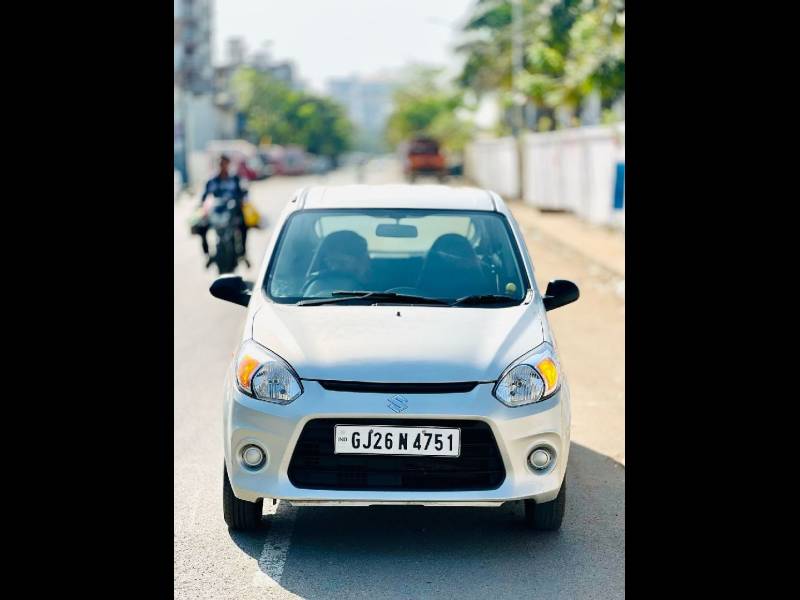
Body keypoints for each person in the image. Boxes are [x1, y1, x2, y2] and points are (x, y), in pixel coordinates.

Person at [197, 155, 250, 268]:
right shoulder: (212, 181)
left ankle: (243, 253)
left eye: (224, 164)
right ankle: (208, 255)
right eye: (220, 164)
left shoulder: (235, 179)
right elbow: (203, 197)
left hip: (233, 212)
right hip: (217, 212)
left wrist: (241, 201)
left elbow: (243, 193)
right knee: (201, 227)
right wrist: (202, 207)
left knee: (244, 226)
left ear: (228, 164)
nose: (222, 166)